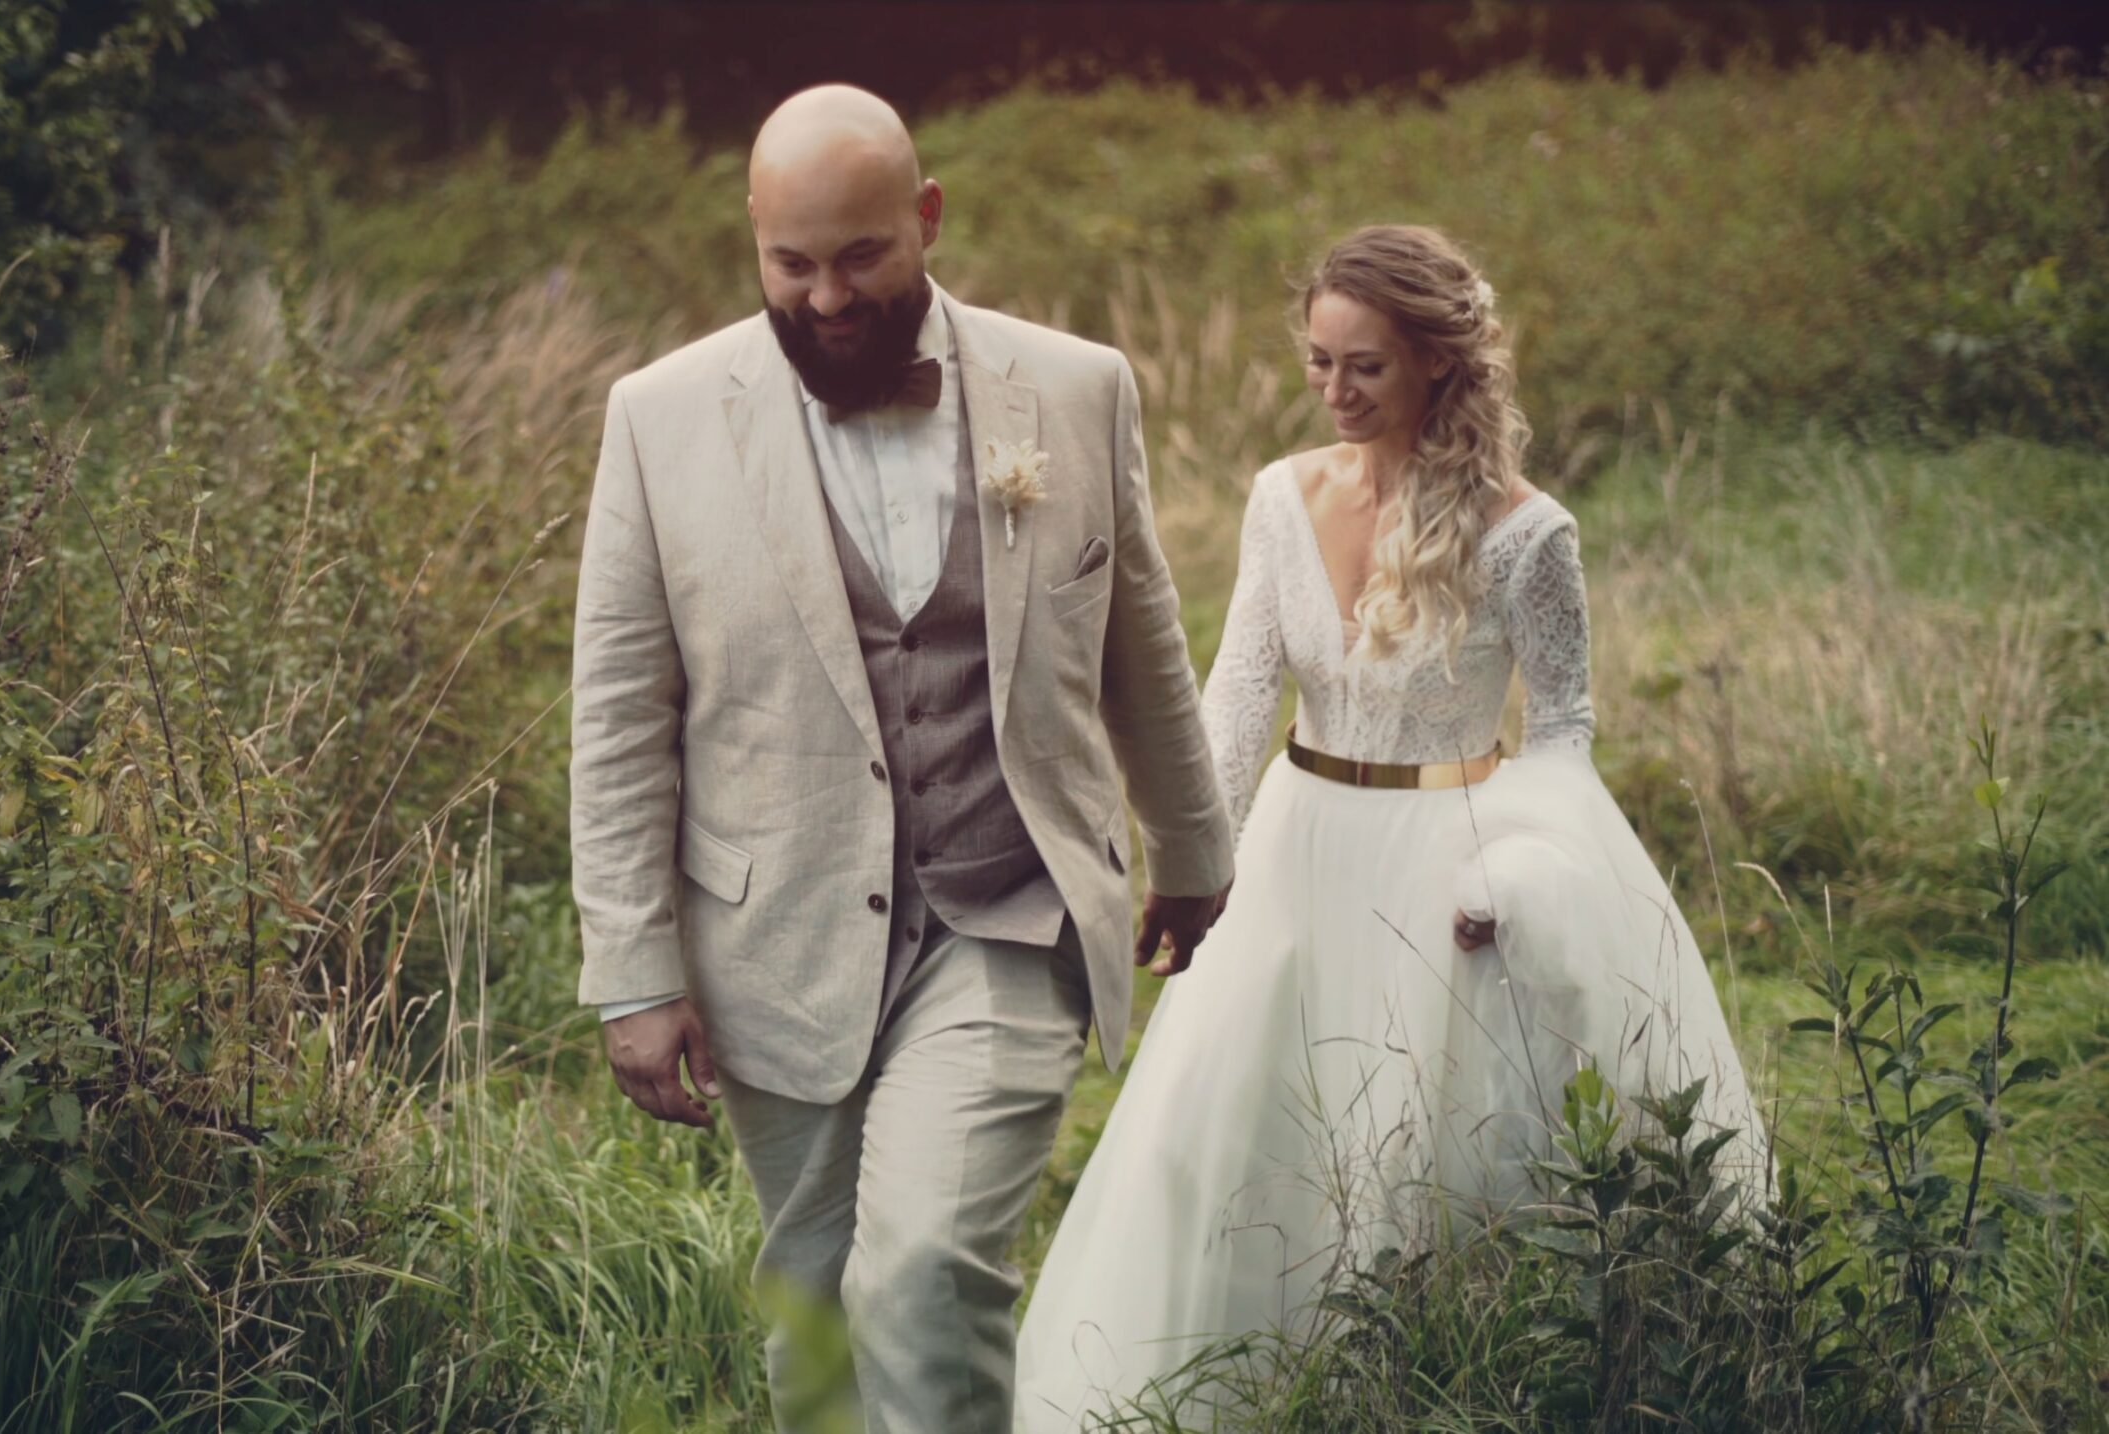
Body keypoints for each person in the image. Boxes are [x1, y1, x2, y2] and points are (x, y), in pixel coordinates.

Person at [1013, 225, 1771, 1430]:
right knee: (1224, 1128)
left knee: (1421, 1158)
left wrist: (1510, 874)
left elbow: (1565, 727)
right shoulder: (1280, 495)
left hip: (1448, 865)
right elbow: (1240, 689)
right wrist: (1188, 858)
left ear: (1435, 362)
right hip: (1295, 847)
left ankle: (1428, 1388)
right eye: (1317, 362)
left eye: (1362, 366)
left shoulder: (1529, 534)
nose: (1334, 391)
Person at [567, 85, 1236, 1430]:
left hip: (1004, 904)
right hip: (778, 927)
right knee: (812, 1296)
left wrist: (1196, 845)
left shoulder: (1074, 387)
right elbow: (620, 709)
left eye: (861, 254)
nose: (825, 295)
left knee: (925, 1269)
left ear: (925, 218)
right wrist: (632, 965)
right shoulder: (660, 417)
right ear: (753, 241)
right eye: (790, 263)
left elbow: (1138, 633)